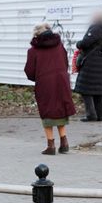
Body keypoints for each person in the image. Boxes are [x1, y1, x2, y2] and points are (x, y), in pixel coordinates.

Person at [24, 23, 76, 155]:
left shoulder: (33, 51)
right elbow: (65, 62)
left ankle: (50, 145)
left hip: (45, 83)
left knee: (47, 112)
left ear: (36, 35)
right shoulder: (59, 46)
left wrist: (38, 77)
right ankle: (64, 142)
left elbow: (29, 71)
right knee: (60, 110)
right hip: (61, 81)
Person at [74, 12, 102, 122]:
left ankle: (91, 115)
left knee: (86, 90)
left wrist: (78, 44)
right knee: (97, 91)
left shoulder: (96, 28)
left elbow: (86, 42)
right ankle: (99, 115)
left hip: (91, 62)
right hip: (100, 62)